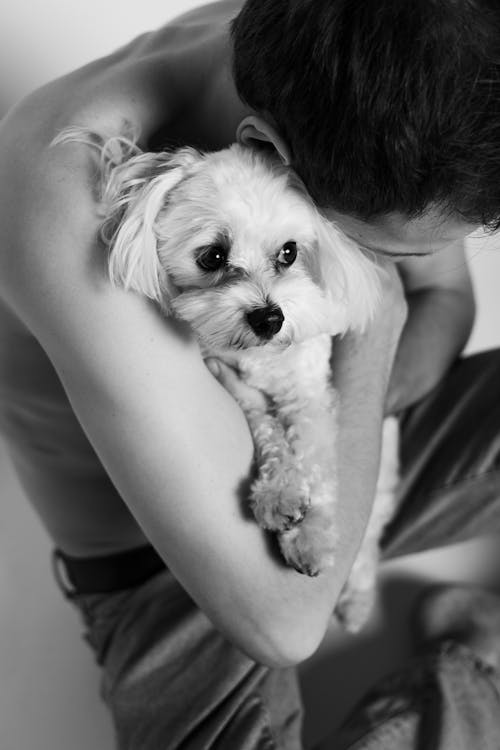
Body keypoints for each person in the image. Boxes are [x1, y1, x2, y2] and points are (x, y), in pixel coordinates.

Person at [0, 0, 499, 747]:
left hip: (335, 431)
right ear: (265, 153)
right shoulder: (64, 199)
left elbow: (447, 299)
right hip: (167, 567)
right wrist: (379, 320)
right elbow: (283, 620)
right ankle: (479, 665)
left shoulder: (374, 72)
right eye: (381, 256)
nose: (384, 274)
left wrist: (344, 435)